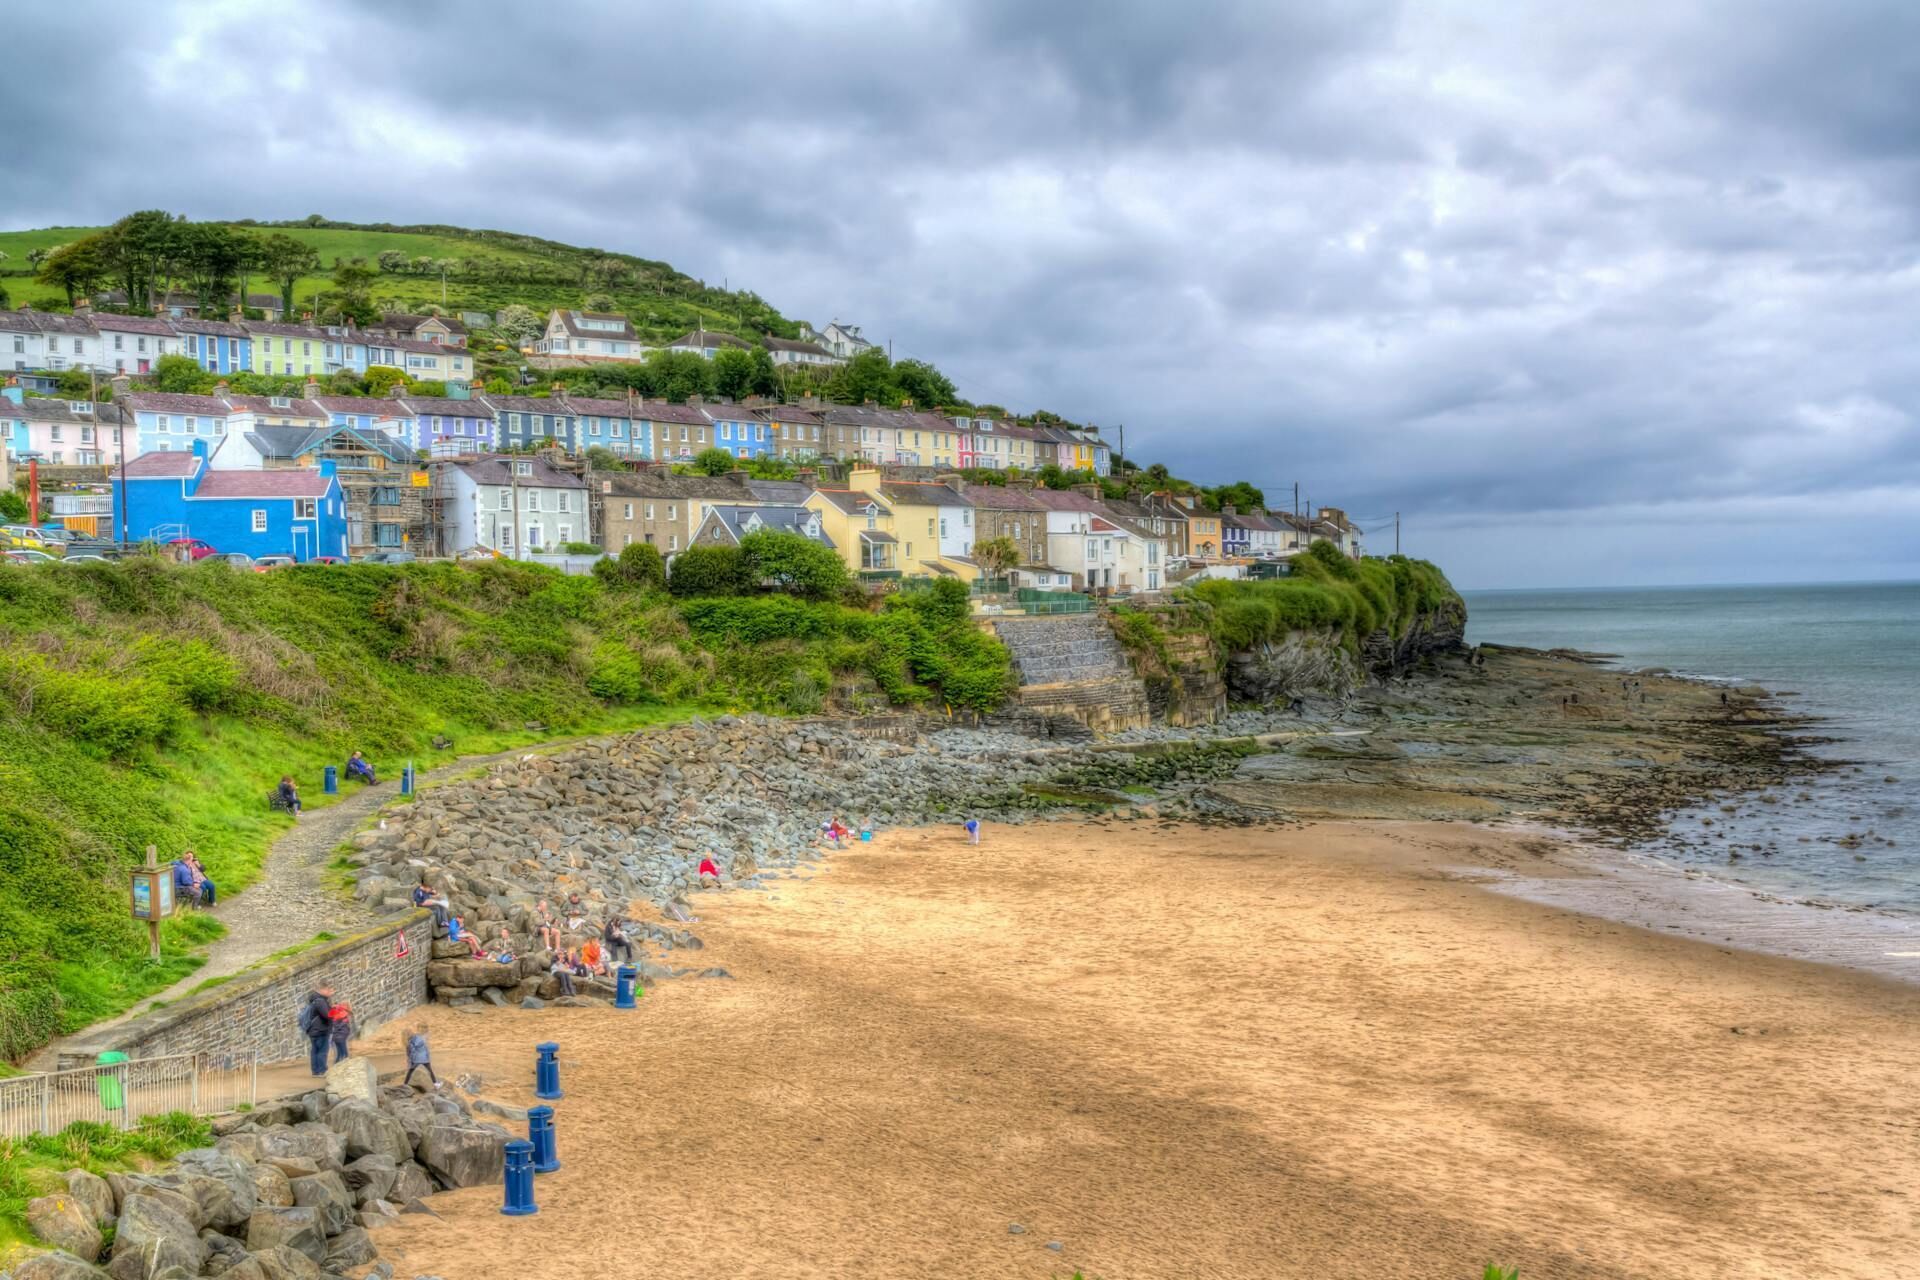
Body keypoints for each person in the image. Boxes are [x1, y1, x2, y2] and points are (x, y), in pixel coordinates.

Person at [299, 985, 334, 1077]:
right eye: (328, 990)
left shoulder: (314, 1000)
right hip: (321, 1030)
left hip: (313, 1030)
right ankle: (322, 1070)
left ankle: (315, 1071)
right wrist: (335, 1011)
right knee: (322, 1051)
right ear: (322, 990)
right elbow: (327, 1015)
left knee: (315, 1050)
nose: (330, 992)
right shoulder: (320, 1001)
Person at [403, 1023, 437, 1089]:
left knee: (411, 1070)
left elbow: (409, 1053)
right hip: (420, 1058)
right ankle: (435, 1083)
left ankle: (405, 1084)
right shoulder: (415, 1038)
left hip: (417, 1058)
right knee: (429, 1070)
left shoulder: (409, 1040)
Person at [327, 1000, 354, 1064]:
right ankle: (341, 1059)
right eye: (341, 1004)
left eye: (344, 1004)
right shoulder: (339, 1011)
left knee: (341, 1045)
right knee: (339, 1046)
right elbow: (333, 1019)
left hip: (341, 1032)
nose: (341, 1005)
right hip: (338, 1032)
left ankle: (344, 1058)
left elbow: (340, 1022)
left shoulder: (344, 1013)